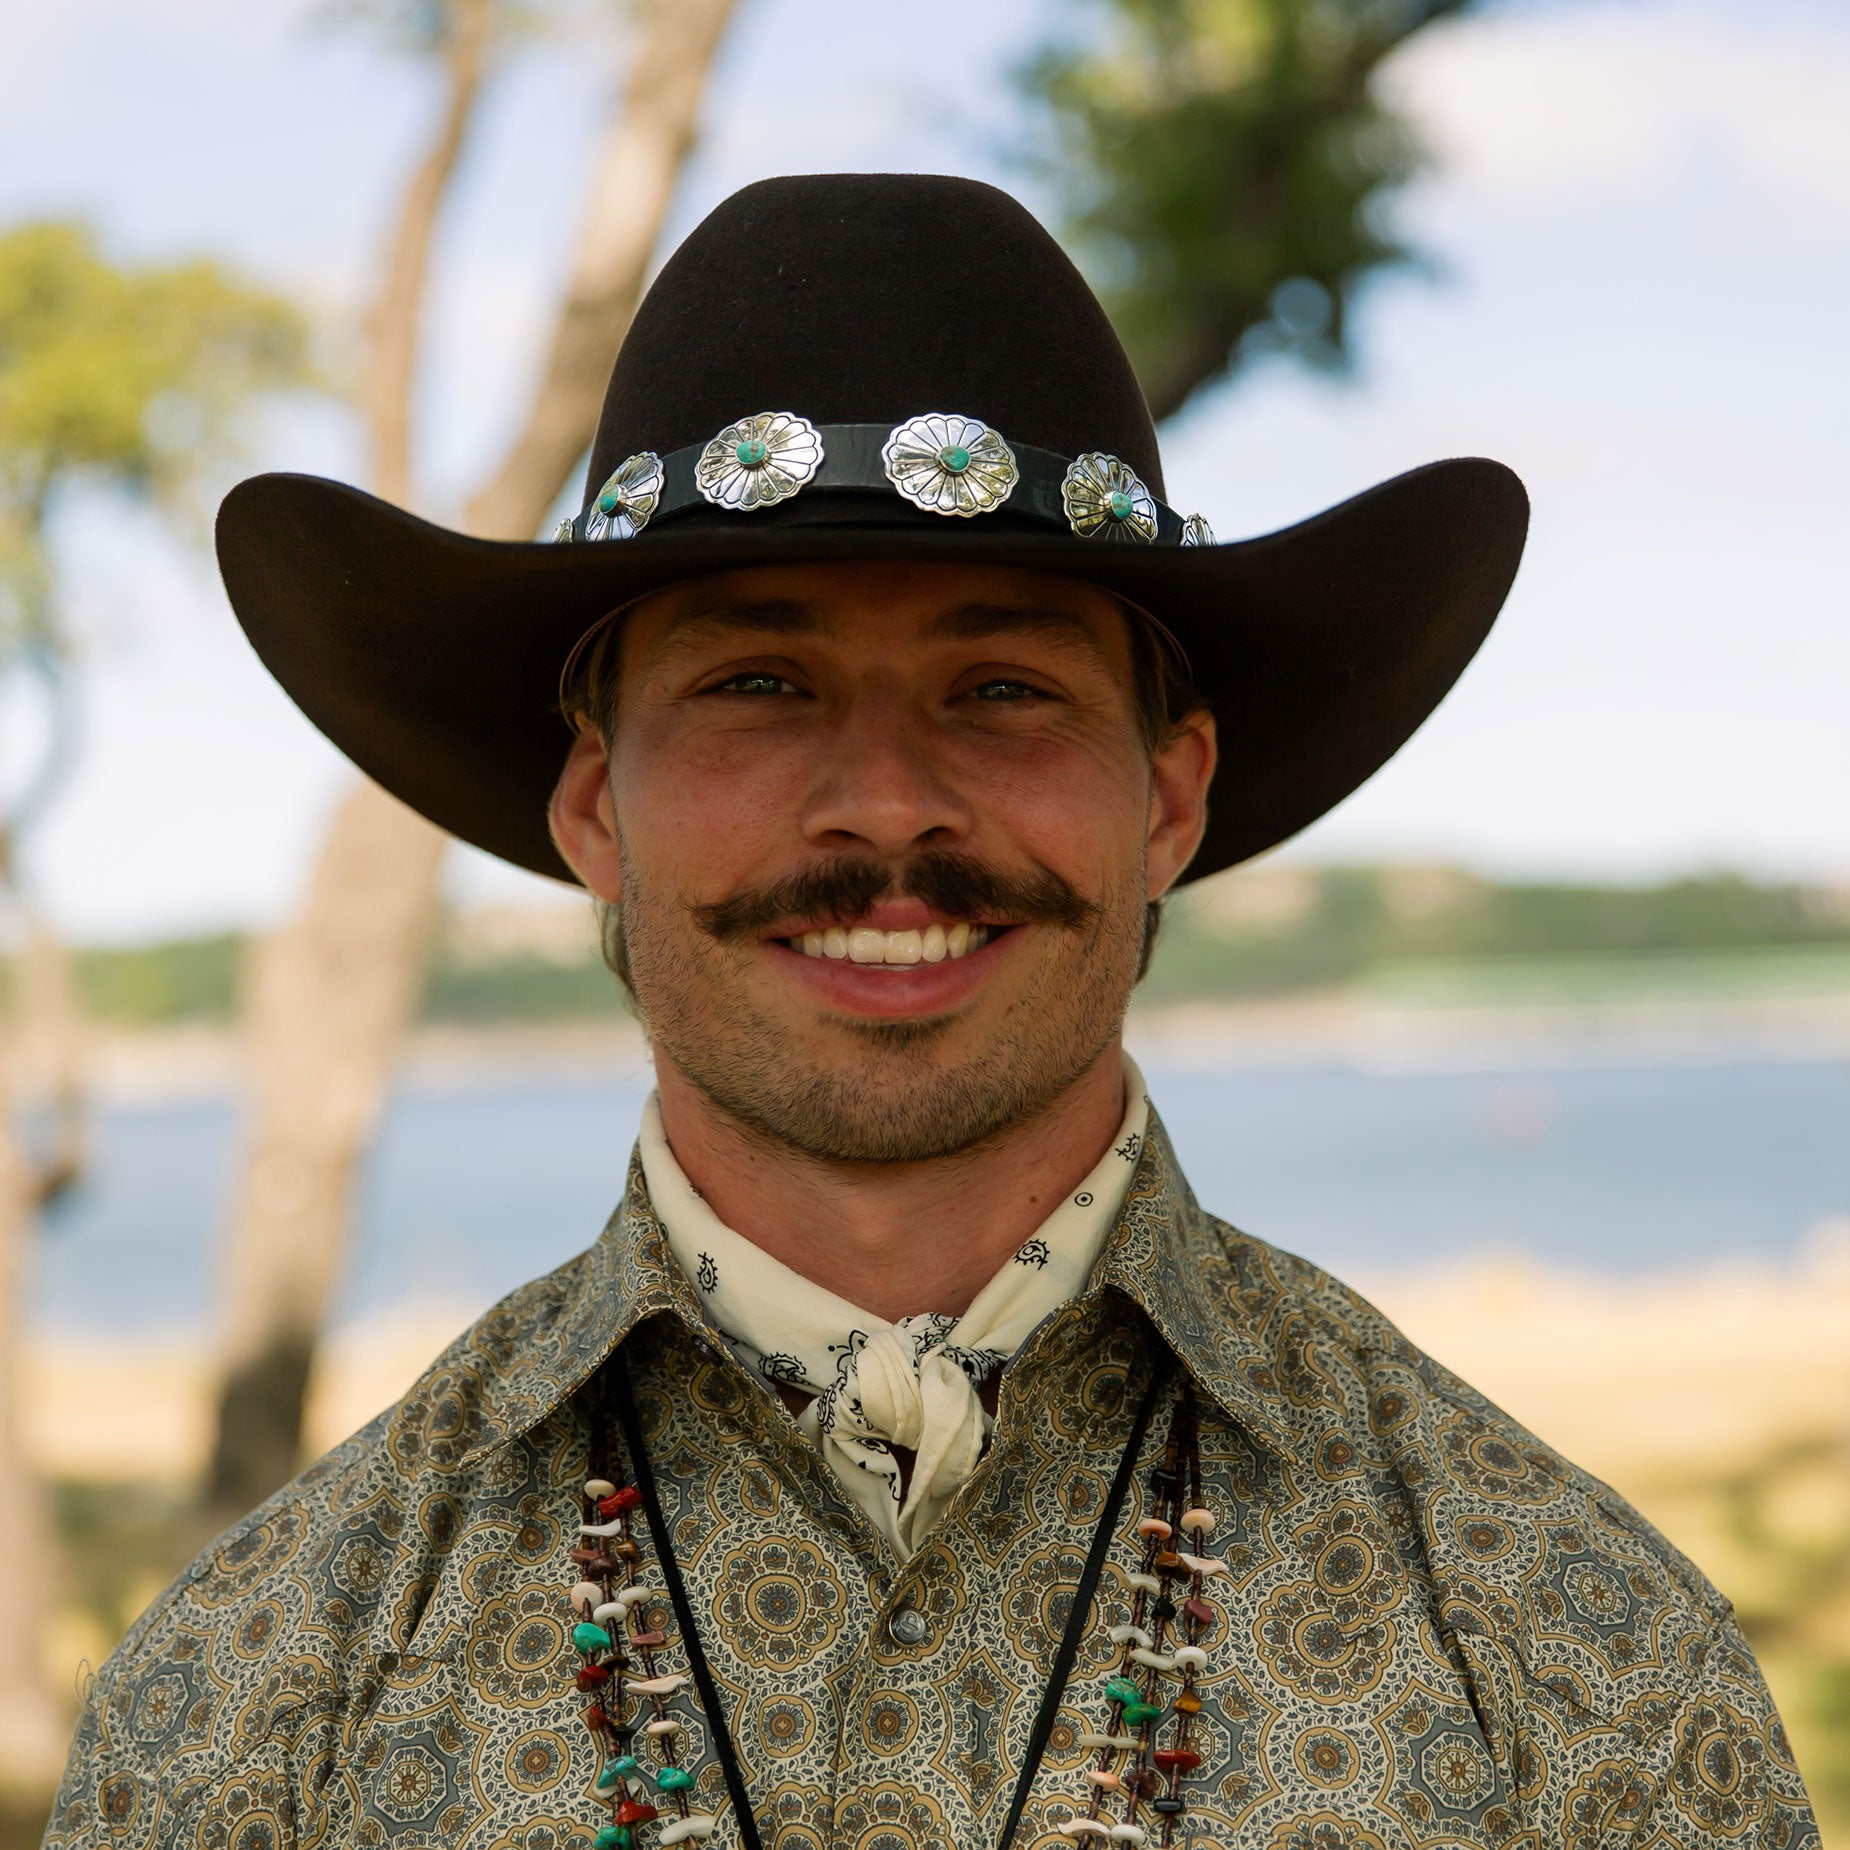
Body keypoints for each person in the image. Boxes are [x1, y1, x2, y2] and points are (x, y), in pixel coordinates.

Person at [44, 174, 1816, 1850]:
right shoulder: (247, 1708)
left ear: (1168, 802)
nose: (886, 803)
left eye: (1000, 685)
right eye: (756, 681)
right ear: (592, 807)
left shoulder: (1576, 1662)